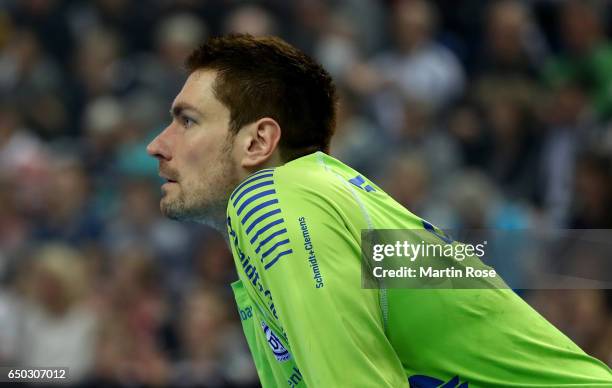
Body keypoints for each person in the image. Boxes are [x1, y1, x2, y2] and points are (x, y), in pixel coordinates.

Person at [147, 34, 612, 387]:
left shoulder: (271, 198)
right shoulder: (324, 203)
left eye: (187, 120)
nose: (156, 145)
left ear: (258, 142)